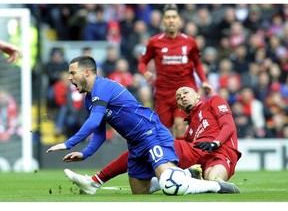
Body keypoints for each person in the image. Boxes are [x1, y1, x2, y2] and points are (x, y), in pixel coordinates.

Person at [46, 56, 240, 195]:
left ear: (87, 72)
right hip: (136, 142)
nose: (69, 78)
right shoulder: (90, 100)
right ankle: (184, 175)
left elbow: (94, 121)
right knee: (139, 191)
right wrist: (85, 153)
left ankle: (213, 186)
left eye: (72, 73)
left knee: (170, 184)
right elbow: (99, 133)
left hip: (150, 132)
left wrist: (69, 143)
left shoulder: (103, 87)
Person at [64, 85, 242, 194]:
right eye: (179, 97)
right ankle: (187, 176)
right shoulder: (189, 127)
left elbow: (229, 125)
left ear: (197, 94)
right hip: (197, 153)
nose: (182, 97)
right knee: (140, 187)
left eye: (186, 93)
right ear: (178, 106)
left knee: (215, 179)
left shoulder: (214, 101)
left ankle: (96, 180)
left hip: (221, 151)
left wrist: (215, 142)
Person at [138, 4, 213, 140]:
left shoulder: (189, 42)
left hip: (184, 90)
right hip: (163, 94)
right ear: (163, 21)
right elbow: (142, 62)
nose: (171, 20)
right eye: (168, 17)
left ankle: (182, 159)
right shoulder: (154, 42)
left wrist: (204, 82)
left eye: (174, 17)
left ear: (179, 21)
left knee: (180, 125)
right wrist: (144, 72)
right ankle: (172, 157)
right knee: (165, 132)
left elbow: (197, 63)